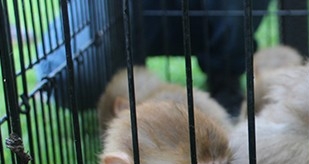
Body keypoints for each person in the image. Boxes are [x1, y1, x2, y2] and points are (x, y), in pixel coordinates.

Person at [35, 0, 272, 116]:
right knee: (64, 77)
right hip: (133, 10)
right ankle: (125, 87)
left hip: (202, 12)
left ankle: (226, 84)